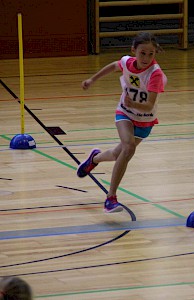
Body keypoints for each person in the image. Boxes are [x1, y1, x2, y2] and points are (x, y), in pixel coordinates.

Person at [77, 32, 167, 213]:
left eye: (151, 54)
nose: (146, 58)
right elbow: (113, 66)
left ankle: (93, 159)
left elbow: (149, 105)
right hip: (124, 112)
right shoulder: (127, 62)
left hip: (145, 119)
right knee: (129, 148)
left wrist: (133, 103)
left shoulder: (155, 75)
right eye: (143, 53)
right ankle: (111, 198)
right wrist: (92, 79)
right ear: (134, 50)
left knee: (120, 153)